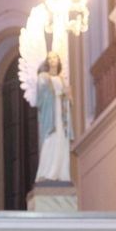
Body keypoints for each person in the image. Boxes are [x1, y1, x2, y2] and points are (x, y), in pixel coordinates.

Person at [34, 51, 73, 183]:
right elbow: (41, 98)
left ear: (58, 60)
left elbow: (69, 99)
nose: (52, 60)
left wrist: (68, 96)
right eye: (50, 58)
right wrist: (60, 93)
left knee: (61, 142)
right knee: (50, 142)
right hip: (51, 117)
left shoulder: (62, 79)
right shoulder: (43, 77)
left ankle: (61, 173)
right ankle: (47, 172)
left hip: (62, 117)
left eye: (55, 57)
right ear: (47, 62)